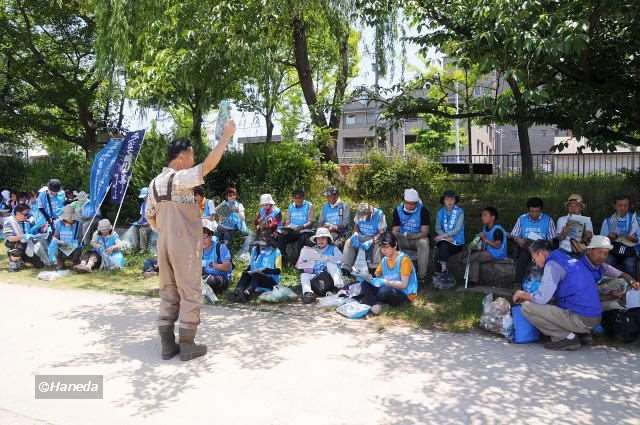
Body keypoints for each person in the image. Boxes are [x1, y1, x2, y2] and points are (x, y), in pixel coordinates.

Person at [145, 118, 236, 362]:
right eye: (191, 156)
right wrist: (226, 137)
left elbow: (149, 218)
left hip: (162, 243)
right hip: (183, 244)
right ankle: (186, 344)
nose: (193, 161)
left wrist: (167, 230)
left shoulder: (154, 183)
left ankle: (167, 345)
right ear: (182, 156)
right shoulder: (180, 177)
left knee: (169, 292)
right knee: (190, 292)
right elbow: (207, 166)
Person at [513, 237, 640, 350]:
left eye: (534, 258)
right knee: (556, 304)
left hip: (582, 318)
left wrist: (523, 294)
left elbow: (541, 299)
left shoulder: (552, 265)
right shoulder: (566, 258)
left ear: (540, 253)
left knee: (527, 307)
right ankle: (582, 334)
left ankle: (566, 338)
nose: (534, 262)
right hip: (593, 316)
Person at [359, 232, 419, 315]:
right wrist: (368, 278)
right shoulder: (385, 260)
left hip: (404, 294)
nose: (383, 250)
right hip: (388, 287)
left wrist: (385, 282)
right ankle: (375, 304)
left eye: (386, 247)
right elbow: (377, 275)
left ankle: (374, 303)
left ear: (395, 245)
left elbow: (404, 285)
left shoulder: (404, 260)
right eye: (382, 247)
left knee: (385, 291)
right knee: (365, 284)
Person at [511, 197, 556, 284]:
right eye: (532, 211)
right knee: (523, 257)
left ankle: (544, 285)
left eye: (537, 212)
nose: (534, 214)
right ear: (528, 210)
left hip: (542, 247)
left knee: (542, 257)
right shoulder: (522, 219)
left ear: (541, 210)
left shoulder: (548, 220)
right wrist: (518, 240)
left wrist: (543, 245)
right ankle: (518, 283)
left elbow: (551, 240)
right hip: (526, 246)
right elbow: (514, 235)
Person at [391, 188, 430, 282]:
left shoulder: (423, 210)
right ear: (404, 201)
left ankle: (422, 276)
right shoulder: (397, 210)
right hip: (402, 238)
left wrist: (411, 236)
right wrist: (400, 235)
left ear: (416, 203)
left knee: (424, 242)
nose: (410, 205)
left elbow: (425, 232)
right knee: (390, 239)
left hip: (417, 238)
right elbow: (395, 230)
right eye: (408, 203)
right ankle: (393, 271)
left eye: (413, 203)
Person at [296, 227, 343, 304]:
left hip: (330, 277)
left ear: (328, 239)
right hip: (318, 278)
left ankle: (339, 287)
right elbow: (304, 266)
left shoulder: (333, 248)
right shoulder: (312, 250)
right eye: (318, 239)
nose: (320, 240)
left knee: (330, 264)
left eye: (323, 238)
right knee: (304, 275)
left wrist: (327, 258)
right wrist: (306, 263)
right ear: (315, 240)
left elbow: (341, 260)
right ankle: (308, 293)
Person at [232, 233, 282, 303]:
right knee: (245, 274)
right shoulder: (254, 250)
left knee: (257, 275)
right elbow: (251, 266)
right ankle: (238, 291)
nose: (261, 246)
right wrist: (248, 271)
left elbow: (278, 271)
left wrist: (265, 270)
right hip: (255, 277)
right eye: (260, 244)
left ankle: (247, 292)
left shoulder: (276, 252)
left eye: (263, 244)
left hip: (270, 280)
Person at [467, 207, 508, 286]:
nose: (482, 217)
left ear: (492, 217)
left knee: (475, 256)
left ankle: (464, 261)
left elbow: (497, 246)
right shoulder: (485, 228)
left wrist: (485, 239)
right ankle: (473, 281)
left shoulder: (497, 230)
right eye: (482, 215)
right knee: (475, 258)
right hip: (488, 252)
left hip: (497, 253)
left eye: (485, 215)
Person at [342, 202, 387, 272]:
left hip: (374, 237)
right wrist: (355, 234)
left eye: (365, 217)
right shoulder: (359, 212)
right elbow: (356, 225)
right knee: (349, 242)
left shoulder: (379, 214)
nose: (364, 219)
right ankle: (346, 268)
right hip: (361, 235)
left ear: (370, 213)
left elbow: (382, 232)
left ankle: (374, 268)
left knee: (377, 244)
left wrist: (371, 241)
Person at [600, 195, 638, 276]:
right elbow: (602, 241)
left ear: (629, 206)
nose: (623, 208)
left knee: (629, 265)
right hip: (613, 250)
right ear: (615, 206)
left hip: (629, 250)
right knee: (607, 262)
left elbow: (638, 239)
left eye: (625, 205)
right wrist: (609, 238)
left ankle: (632, 286)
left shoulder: (635, 219)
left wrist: (634, 239)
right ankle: (607, 284)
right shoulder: (608, 221)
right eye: (620, 205)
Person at [277, 189, 314, 266]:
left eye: (299, 197)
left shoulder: (309, 205)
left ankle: (299, 262)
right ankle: (284, 260)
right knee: (281, 237)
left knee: (302, 239)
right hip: (293, 230)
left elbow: (310, 221)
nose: (298, 199)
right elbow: (288, 221)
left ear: (303, 197)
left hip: (304, 230)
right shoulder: (291, 206)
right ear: (293, 198)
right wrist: (286, 228)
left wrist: (302, 227)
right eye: (295, 198)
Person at [433, 190, 465, 281]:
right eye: (447, 199)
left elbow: (457, 229)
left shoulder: (460, 212)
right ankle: (444, 270)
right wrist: (446, 237)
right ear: (443, 201)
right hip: (445, 240)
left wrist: (444, 236)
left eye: (452, 199)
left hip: (457, 242)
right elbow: (437, 228)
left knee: (442, 245)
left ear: (455, 200)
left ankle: (442, 271)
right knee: (443, 244)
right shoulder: (440, 212)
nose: (450, 201)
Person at [3, 204, 45, 271]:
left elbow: (35, 233)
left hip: (27, 245)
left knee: (39, 264)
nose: (26, 216)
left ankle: (22, 259)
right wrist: (24, 236)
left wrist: (42, 228)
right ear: (17, 213)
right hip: (14, 244)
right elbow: (10, 238)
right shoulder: (9, 221)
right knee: (18, 246)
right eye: (25, 214)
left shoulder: (27, 221)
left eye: (28, 214)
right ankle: (13, 262)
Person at [215, 186, 250, 259]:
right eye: (230, 195)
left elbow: (243, 218)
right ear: (227, 197)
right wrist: (222, 215)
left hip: (232, 228)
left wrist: (237, 211)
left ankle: (225, 257)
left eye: (233, 195)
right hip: (223, 226)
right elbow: (217, 214)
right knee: (215, 237)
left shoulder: (239, 205)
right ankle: (217, 254)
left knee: (226, 240)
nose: (232, 197)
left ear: (236, 196)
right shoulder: (224, 204)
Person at [201, 219, 233, 296]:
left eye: (205, 237)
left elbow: (227, 267)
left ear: (211, 236)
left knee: (211, 281)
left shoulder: (220, 247)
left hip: (220, 278)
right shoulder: (198, 249)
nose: (202, 240)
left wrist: (210, 264)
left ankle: (205, 289)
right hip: (205, 275)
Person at [48, 205, 83, 270]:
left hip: (74, 247)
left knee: (79, 248)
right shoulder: (59, 223)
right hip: (62, 247)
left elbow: (80, 239)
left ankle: (75, 262)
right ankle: (59, 263)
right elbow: (56, 236)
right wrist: (59, 241)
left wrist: (72, 243)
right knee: (54, 243)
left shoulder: (78, 224)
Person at [128, 187, 154, 252]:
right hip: (144, 224)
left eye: (145, 197)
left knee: (142, 230)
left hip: (151, 225)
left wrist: (147, 223)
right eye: (143, 197)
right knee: (134, 228)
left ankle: (143, 249)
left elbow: (154, 219)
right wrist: (138, 222)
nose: (144, 198)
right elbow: (142, 216)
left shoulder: (153, 205)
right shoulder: (143, 205)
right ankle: (135, 246)